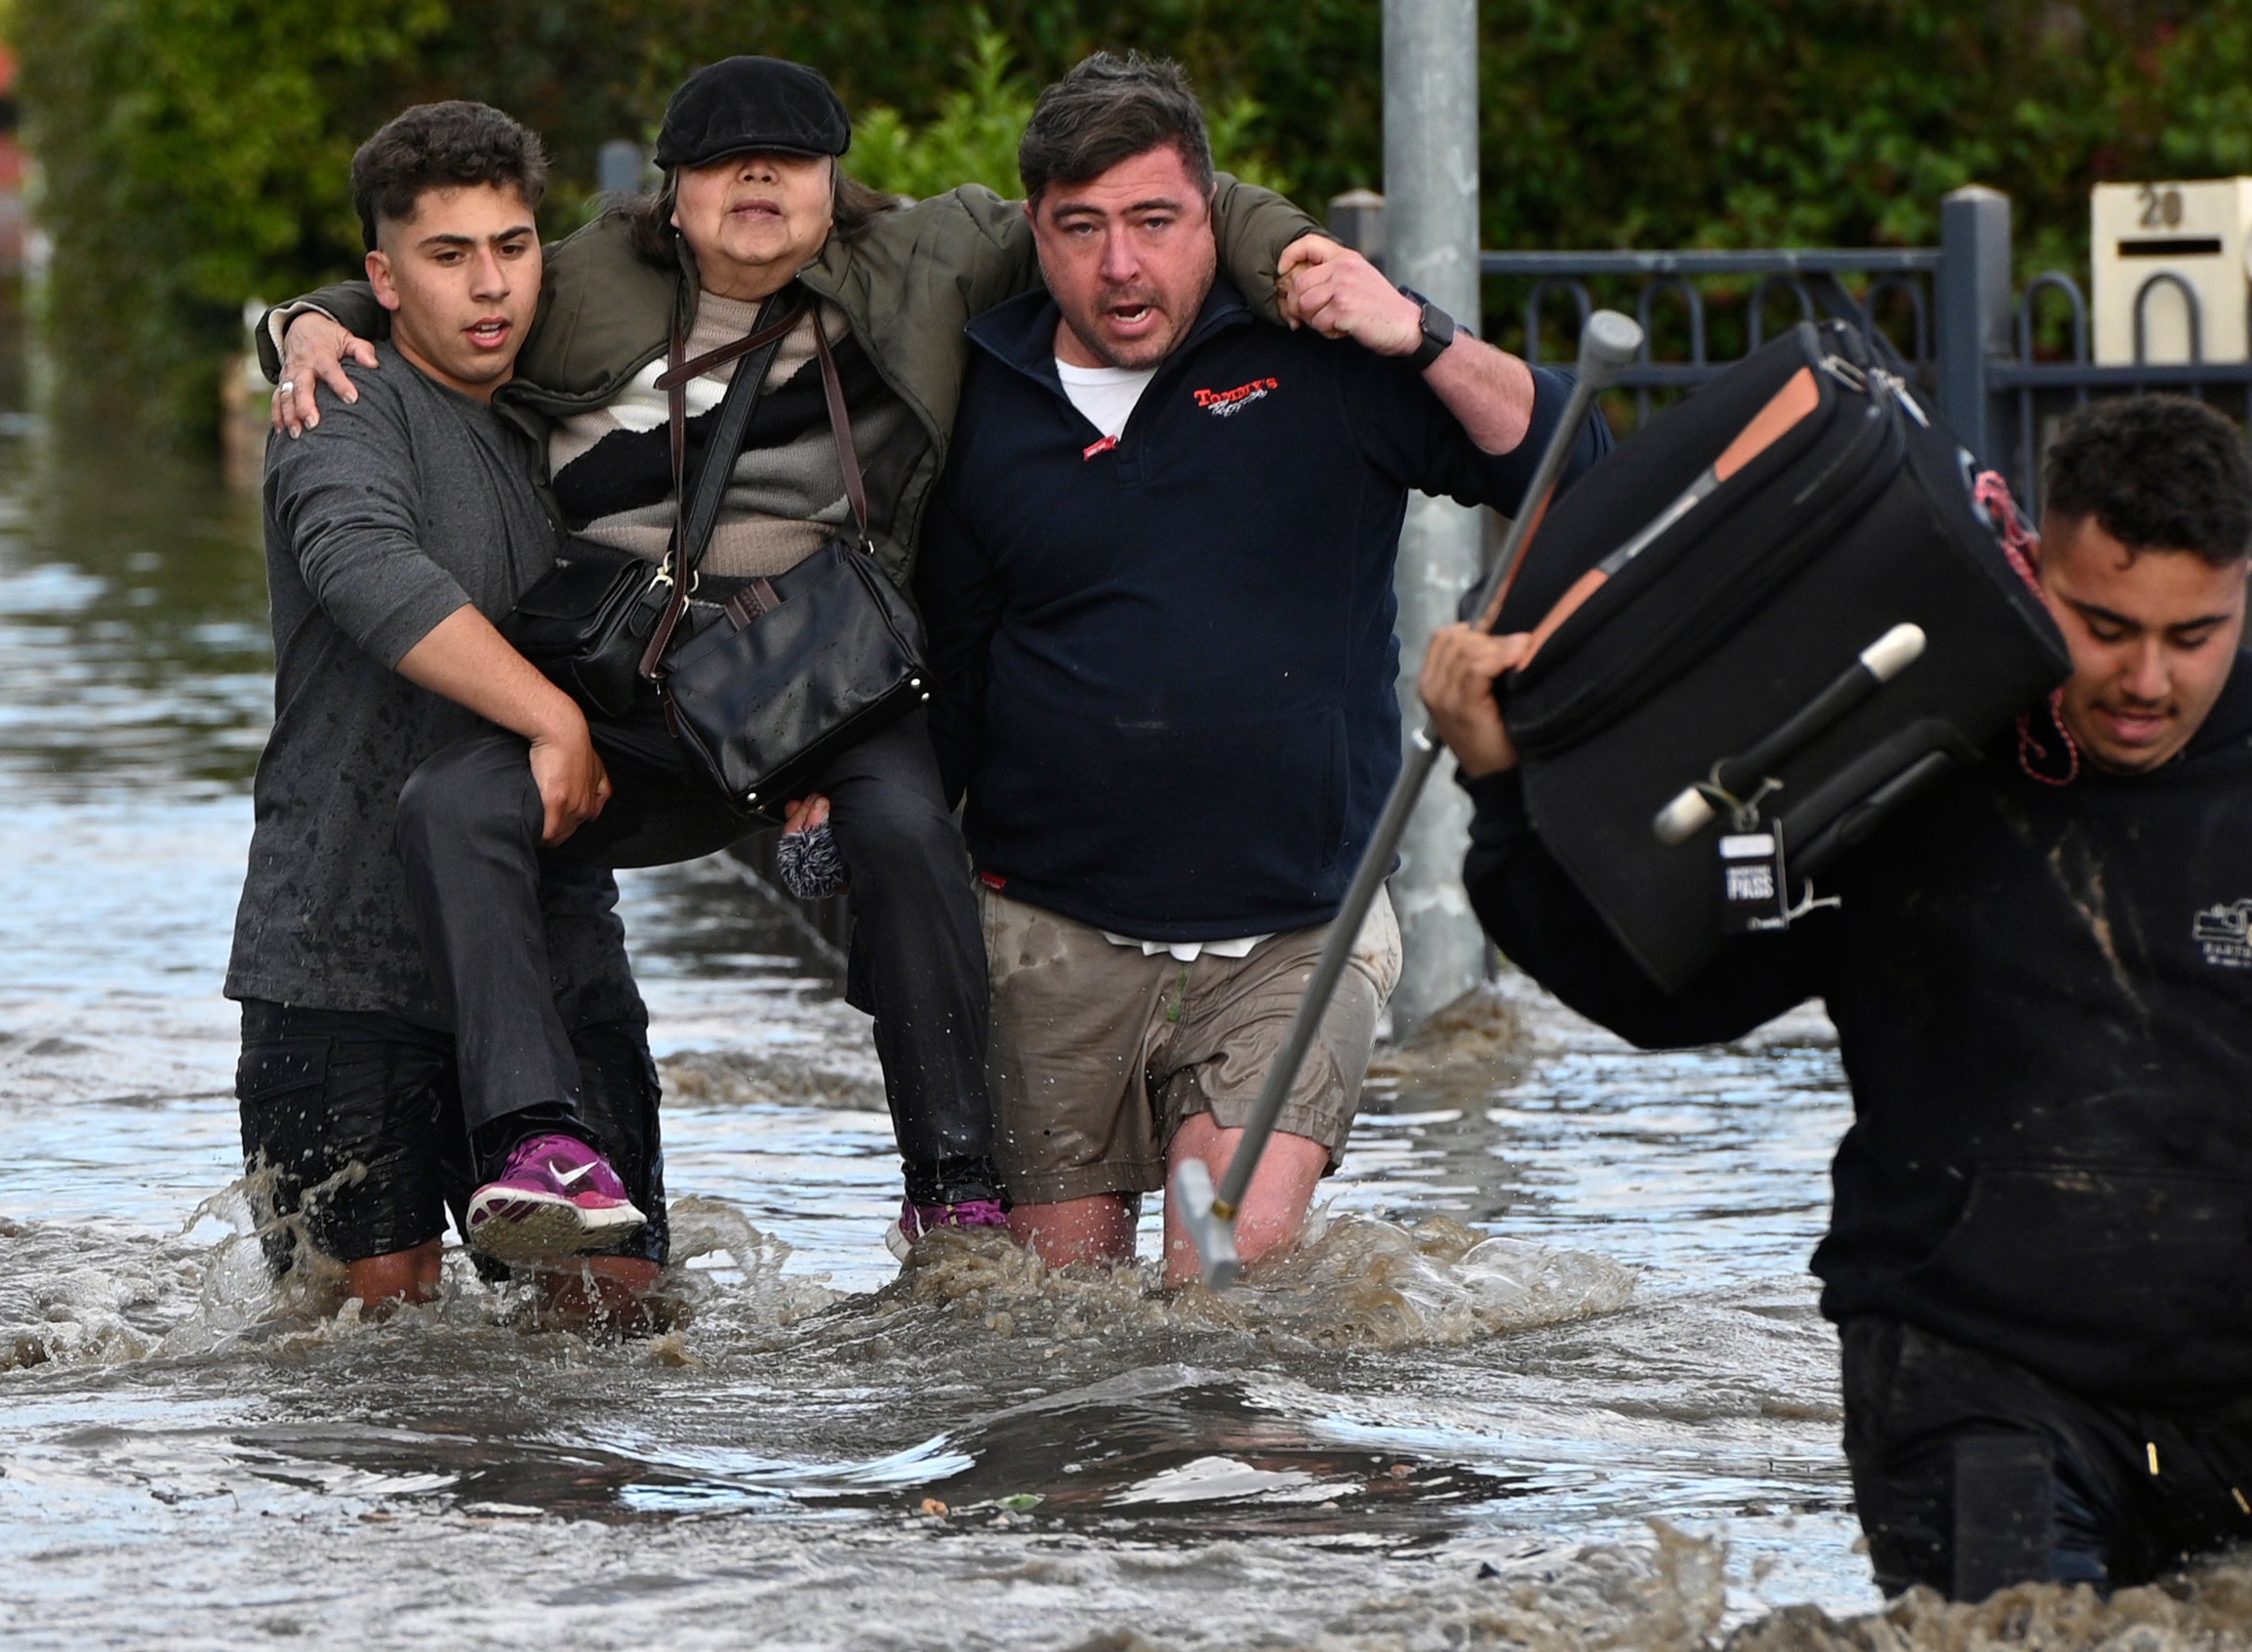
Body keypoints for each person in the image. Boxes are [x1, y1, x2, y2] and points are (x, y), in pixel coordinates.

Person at [261, 58, 1326, 1261]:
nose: (756, 179)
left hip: (817, 674)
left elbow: (1160, 201)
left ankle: (952, 1179)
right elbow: (439, 284)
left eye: (790, 159)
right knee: (452, 795)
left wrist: (1295, 258)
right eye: (722, 163)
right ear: (671, 195)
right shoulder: (574, 280)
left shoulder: (927, 255)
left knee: (910, 827)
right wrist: (297, 325)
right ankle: (534, 1137)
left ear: (835, 184)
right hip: (625, 686)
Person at [1425, 393, 2252, 1599]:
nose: (2144, 678)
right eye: (2102, 625)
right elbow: (1662, 994)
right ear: (2033, 562)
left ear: (2243, 589)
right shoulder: (1908, 761)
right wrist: (1501, 797)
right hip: (1970, 1382)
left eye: (2192, 635)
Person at [915, 53, 1612, 1281]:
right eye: (1080, 228)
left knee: (1217, 1288)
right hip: (1047, 936)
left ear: (1211, 214)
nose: (1118, 264)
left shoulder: (1320, 359)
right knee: (1049, 1345)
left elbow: (1569, 461)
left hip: (1295, 931)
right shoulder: (982, 388)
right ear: (1035, 230)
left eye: (1151, 222)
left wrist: (1418, 329)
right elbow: (954, 671)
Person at [230, 100, 664, 1319]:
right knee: (368, 1344)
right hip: (340, 952)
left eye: (513, 247)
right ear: (384, 276)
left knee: (618, 1317)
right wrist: (552, 719)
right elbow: (362, 561)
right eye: (447, 255)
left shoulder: (570, 408)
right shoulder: (341, 402)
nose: (491, 286)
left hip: (555, 936)